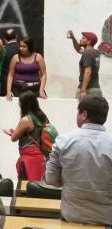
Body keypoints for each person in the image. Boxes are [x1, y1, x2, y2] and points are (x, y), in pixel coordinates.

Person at [44, 95, 112, 226]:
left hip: (71, 218)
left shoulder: (63, 141)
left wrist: (69, 180)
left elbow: (51, 179)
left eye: (77, 112)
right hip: (106, 220)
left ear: (84, 115)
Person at [2, 91, 50, 181]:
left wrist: (13, 133)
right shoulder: (42, 116)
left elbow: (14, 138)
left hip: (29, 159)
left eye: (20, 102)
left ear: (24, 104)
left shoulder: (26, 120)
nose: (18, 103)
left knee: (27, 187)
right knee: (40, 186)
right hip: (42, 156)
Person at [68, 30, 102, 99]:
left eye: (83, 38)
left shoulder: (87, 53)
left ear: (89, 41)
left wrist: (83, 90)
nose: (80, 39)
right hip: (96, 89)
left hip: (88, 90)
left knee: (81, 109)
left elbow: (88, 71)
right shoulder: (95, 52)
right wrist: (73, 38)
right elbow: (78, 50)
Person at [0, 29, 19, 96]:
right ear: (16, 36)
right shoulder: (22, 48)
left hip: (5, 83)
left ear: (5, 39)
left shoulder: (2, 50)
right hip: (20, 83)